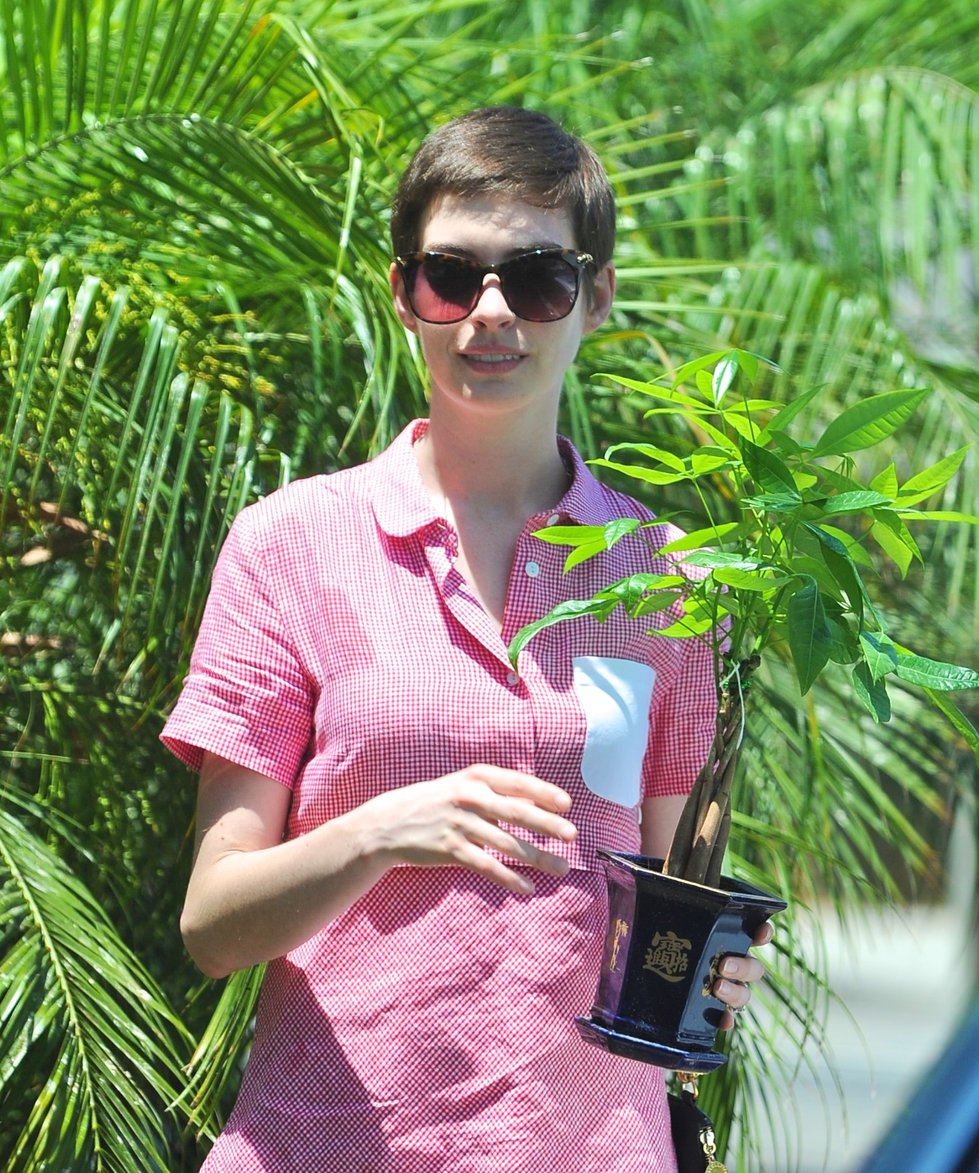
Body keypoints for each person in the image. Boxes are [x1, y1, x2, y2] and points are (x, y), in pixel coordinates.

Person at [162, 105, 771, 1173]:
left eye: (536, 279)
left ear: (596, 296)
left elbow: (675, 895)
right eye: (452, 276)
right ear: (405, 293)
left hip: (594, 1149)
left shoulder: (669, 576)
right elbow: (213, 925)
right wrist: (379, 831)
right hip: (327, 1145)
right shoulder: (289, 544)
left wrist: (716, 970)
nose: (491, 312)